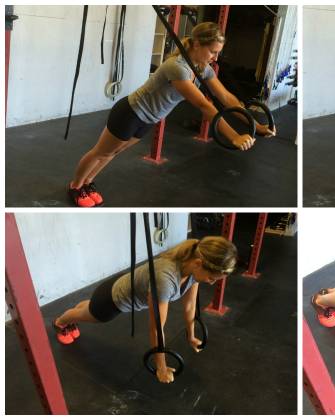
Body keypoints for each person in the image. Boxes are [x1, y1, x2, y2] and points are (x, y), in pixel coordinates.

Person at [68, 22, 276, 207]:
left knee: (114, 152)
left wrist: (255, 126)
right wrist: (234, 136)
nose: (216, 57)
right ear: (196, 44)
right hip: (130, 113)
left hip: (148, 119)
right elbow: (204, 105)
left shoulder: (203, 68)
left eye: (218, 52)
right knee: (101, 152)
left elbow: (227, 98)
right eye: (213, 51)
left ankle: (88, 182)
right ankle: (76, 187)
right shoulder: (177, 68)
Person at [53, 237, 237, 384]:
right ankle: (61, 321)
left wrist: (190, 335)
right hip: (113, 300)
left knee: (90, 308)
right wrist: (161, 368)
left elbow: (189, 306)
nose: (211, 282)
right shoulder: (165, 279)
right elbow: (157, 328)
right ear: (198, 263)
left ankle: (86, 306)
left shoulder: (192, 269)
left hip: (118, 287)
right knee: (92, 316)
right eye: (212, 278)